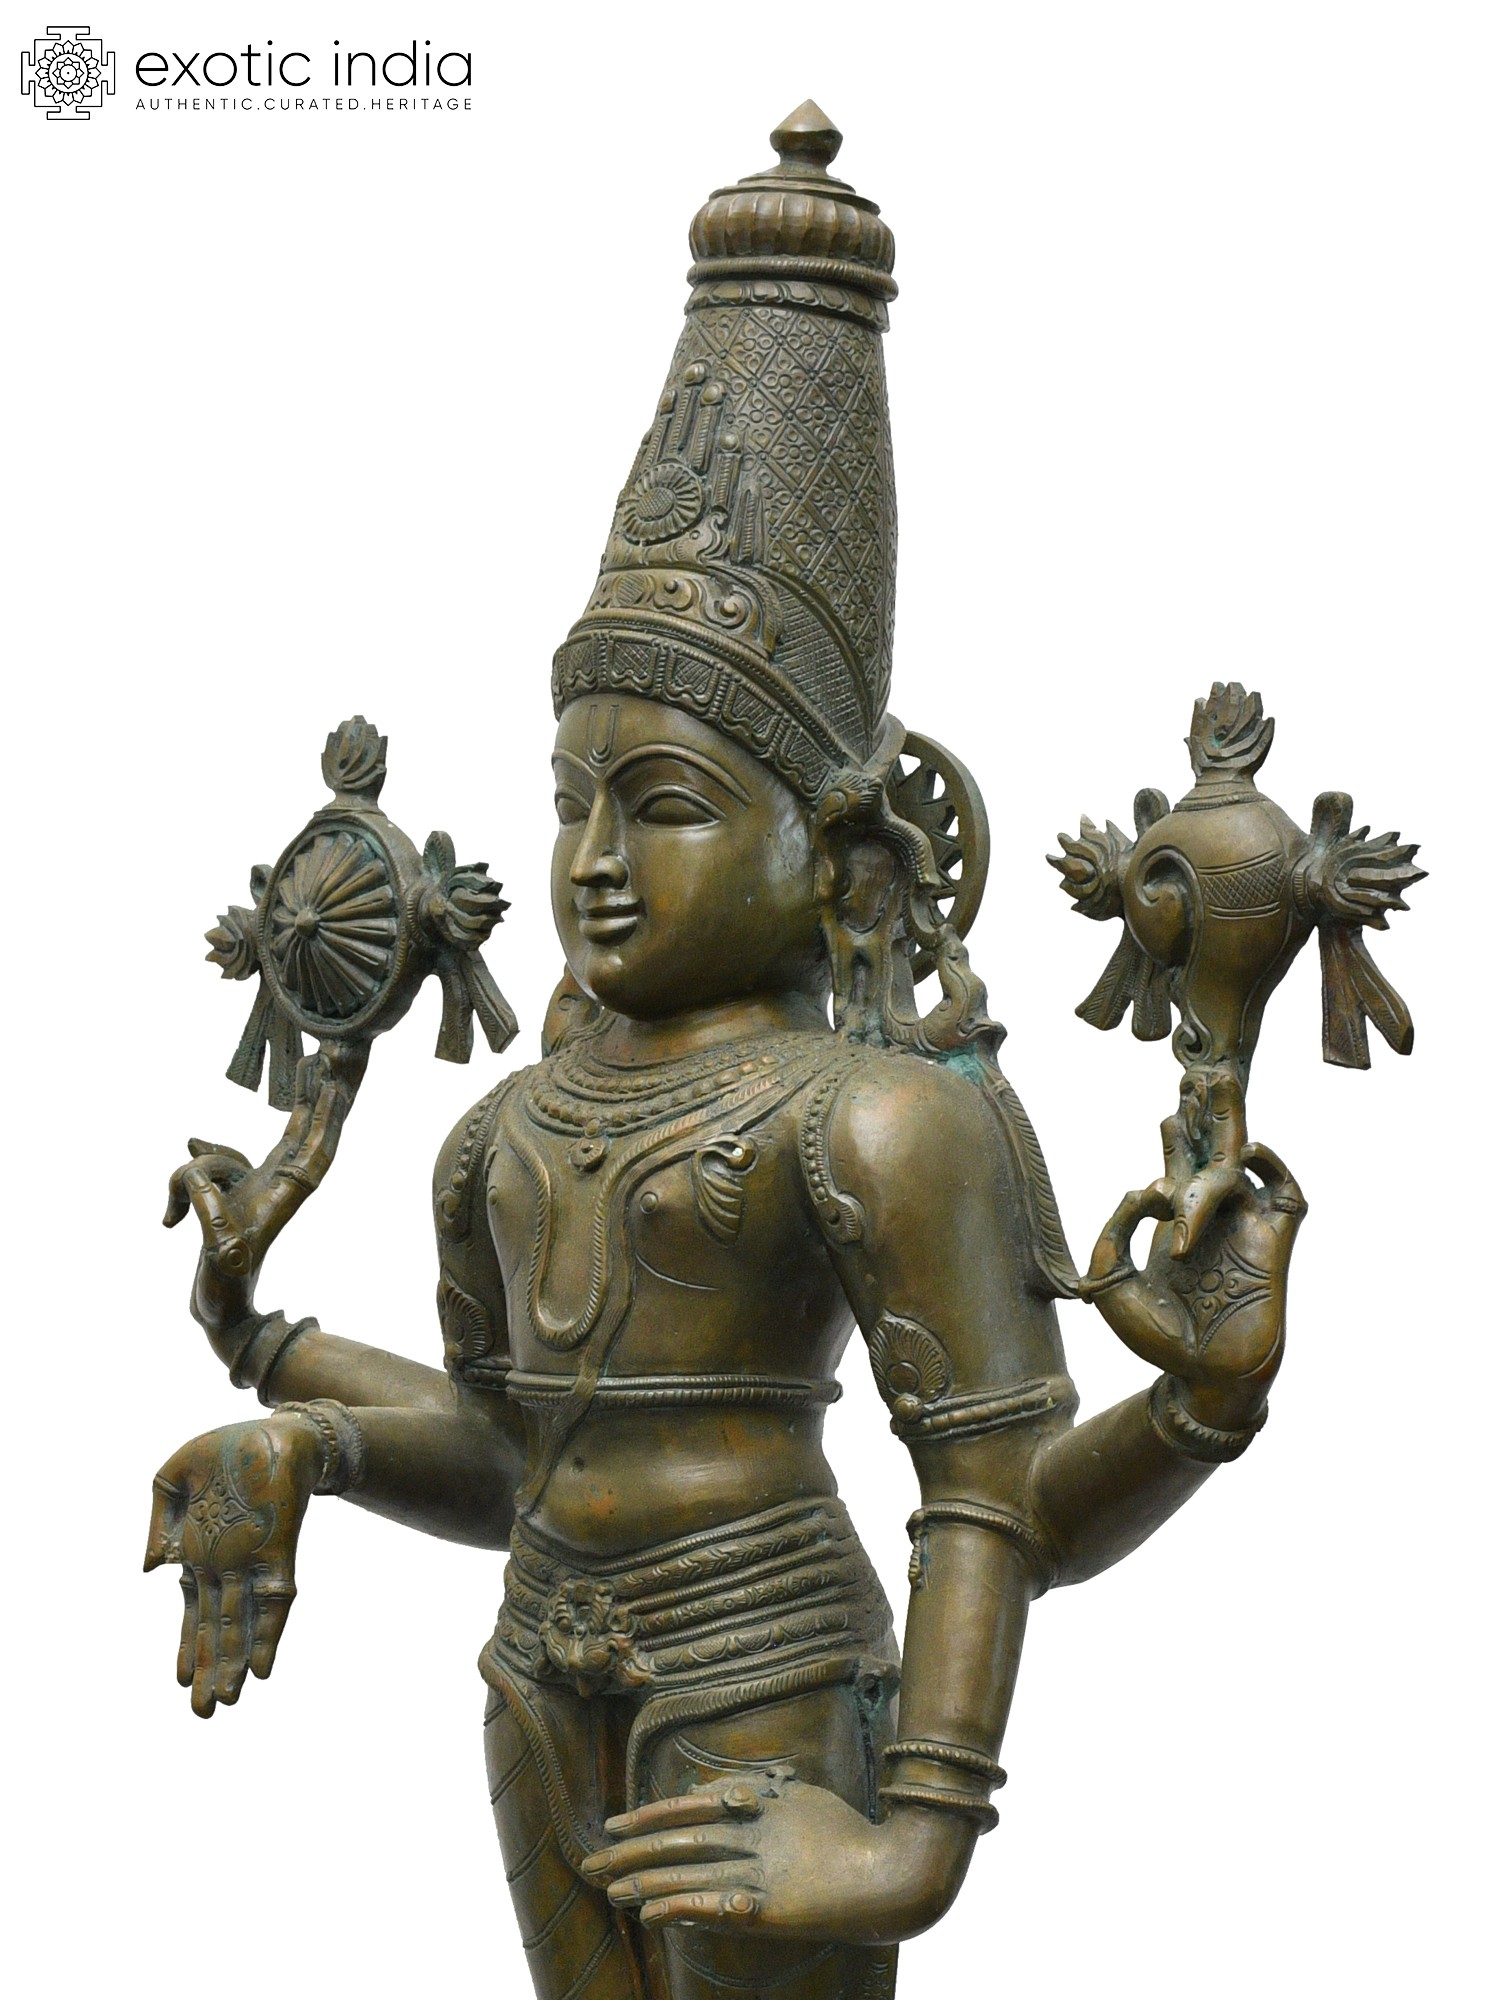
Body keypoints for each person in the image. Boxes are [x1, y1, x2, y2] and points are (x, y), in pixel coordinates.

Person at [145, 106, 1303, 2000]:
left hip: (771, 1701)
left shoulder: (882, 1122)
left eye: (665, 804)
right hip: (535, 1686)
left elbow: (998, 1502)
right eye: (572, 801)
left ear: (840, 857)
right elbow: (516, 1452)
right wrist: (287, 1400)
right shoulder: (502, 1131)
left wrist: (921, 1828)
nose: (597, 862)